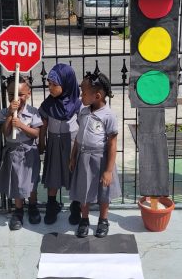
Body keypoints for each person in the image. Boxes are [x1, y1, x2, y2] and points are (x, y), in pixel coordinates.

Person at [69, 71, 121, 238]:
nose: (80, 96)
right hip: (83, 158)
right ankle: (84, 219)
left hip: (101, 159)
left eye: (83, 93)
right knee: (84, 190)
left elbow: (112, 144)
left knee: (103, 192)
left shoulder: (109, 116)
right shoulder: (83, 112)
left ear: (97, 96)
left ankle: (103, 220)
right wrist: (73, 156)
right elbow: (78, 137)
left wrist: (108, 170)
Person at [38, 64, 82, 225]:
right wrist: (41, 141)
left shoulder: (77, 104)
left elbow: (83, 127)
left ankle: (75, 206)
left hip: (72, 146)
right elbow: (43, 123)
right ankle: (51, 205)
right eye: (49, 84)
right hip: (54, 145)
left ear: (67, 83)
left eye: (54, 84)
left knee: (73, 174)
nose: (50, 87)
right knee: (53, 174)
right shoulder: (49, 104)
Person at [0, 75, 43, 230]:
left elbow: (36, 133)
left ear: (28, 94)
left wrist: (22, 125)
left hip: (29, 152)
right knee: (16, 181)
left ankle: (33, 206)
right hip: (13, 152)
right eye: (11, 95)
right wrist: (10, 114)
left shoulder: (33, 112)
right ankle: (18, 210)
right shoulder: (4, 112)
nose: (16, 98)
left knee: (31, 181)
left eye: (20, 94)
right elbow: (6, 131)